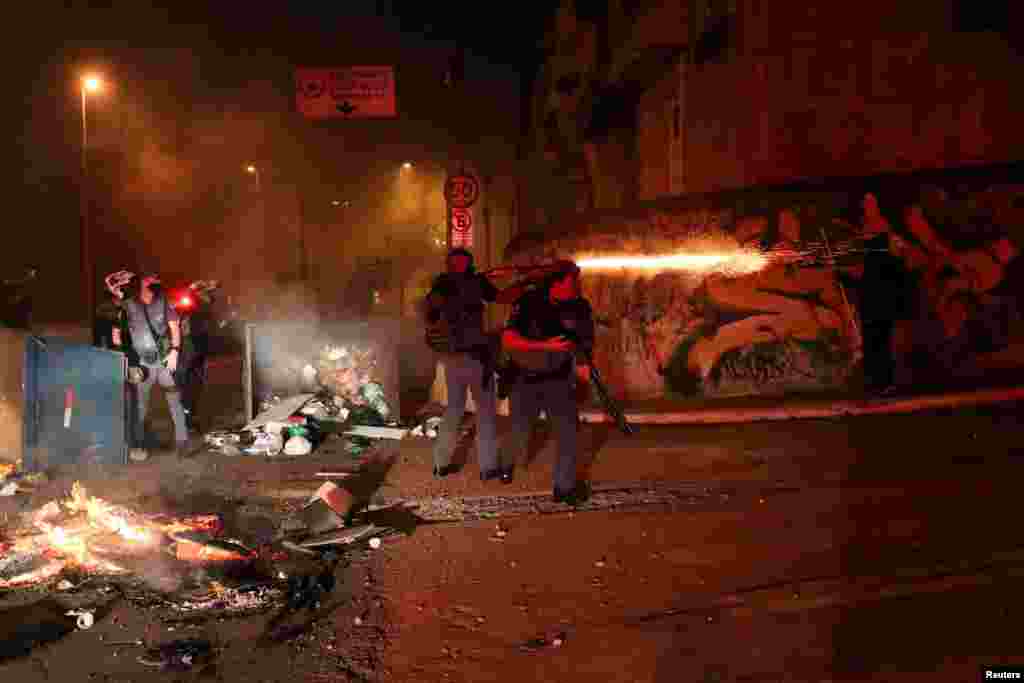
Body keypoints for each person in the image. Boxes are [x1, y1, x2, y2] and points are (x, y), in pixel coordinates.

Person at [500, 260, 595, 504]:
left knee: (568, 433)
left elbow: (584, 351)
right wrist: (544, 346)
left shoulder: (581, 308)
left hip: (559, 380)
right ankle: (506, 463)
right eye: (573, 280)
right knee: (519, 429)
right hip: (525, 378)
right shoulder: (530, 302)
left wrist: (583, 383)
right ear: (557, 282)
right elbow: (509, 339)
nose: (577, 284)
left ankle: (564, 489)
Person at [425, 248, 523, 480]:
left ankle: (441, 464)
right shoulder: (474, 282)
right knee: (486, 411)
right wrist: (524, 284)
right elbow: (501, 298)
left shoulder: (442, 284)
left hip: (452, 357)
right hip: (476, 356)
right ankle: (488, 467)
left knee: (454, 409)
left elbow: (431, 310)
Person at [840, 193, 917, 396]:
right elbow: (858, 261)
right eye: (865, 201)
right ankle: (874, 382)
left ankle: (886, 381)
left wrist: (901, 253)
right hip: (868, 290)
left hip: (885, 288)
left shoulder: (887, 227)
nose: (868, 205)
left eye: (872, 201)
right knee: (870, 336)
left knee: (883, 335)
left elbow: (901, 251)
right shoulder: (860, 228)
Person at [111, 272, 190, 461]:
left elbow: (174, 328)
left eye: (156, 280)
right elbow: (116, 333)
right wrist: (126, 359)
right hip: (142, 363)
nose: (154, 283)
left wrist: (175, 351)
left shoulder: (164, 303)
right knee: (140, 406)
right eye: (150, 280)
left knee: (175, 401)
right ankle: (139, 445)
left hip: (163, 361)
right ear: (141, 284)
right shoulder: (129, 305)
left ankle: (182, 444)